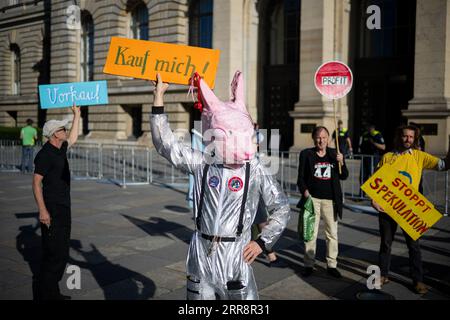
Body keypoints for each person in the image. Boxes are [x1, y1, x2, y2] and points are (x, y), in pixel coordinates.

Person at [150, 72, 291, 300]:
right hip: (201, 254)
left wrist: (262, 242)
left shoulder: (254, 168)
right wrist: (158, 97)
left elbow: (282, 207)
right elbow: (165, 144)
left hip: (236, 255)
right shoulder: (203, 162)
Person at [371, 125, 450, 294]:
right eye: (404, 136)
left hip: (410, 210)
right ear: (399, 137)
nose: (407, 139)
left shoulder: (419, 156)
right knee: (385, 244)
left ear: (415, 139)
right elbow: (375, 181)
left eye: (410, 137)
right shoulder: (387, 157)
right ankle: (383, 275)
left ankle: (418, 280)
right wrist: (373, 200)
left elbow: (444, 165)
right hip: (387, 208)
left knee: (414, 246)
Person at [32, 104, 80, 300]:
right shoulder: (44, 155)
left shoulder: (59, 148)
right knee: (53, 254)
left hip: (63, 207)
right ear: (53, 134)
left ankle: (53, 292)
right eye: (62, 129)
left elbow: (74, 137)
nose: (65, 130)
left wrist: (77, 114)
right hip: (52, 208)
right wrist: (43, 211)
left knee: (61, 252)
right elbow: (36, 184)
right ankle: (45, 295)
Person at [297, 126, 349, 278]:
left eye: (324, 137)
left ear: (328, 139)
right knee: (310, 233)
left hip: (330, 201)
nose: (321, 140)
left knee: (332, 234)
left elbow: (344, 176)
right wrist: (305, 193)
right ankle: (308, 264)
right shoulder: (306, 154)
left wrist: (342, 162)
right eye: (318, 137)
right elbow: (300, 178)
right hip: (312, 199)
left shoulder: (334, 154)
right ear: (314, 138)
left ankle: (332, 264)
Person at [358, 124, 386, 191]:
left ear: (373, 128)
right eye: (367, 127)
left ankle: (375, 194)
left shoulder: (377, 135)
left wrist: (373, 143)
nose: (368, 129)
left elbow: (383, 147)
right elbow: (361, 145)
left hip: (373, 158)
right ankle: (361, 194)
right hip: (365, 158)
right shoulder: (365, 134)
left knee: (373, 177)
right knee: (362, 176)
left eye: (370, 127)